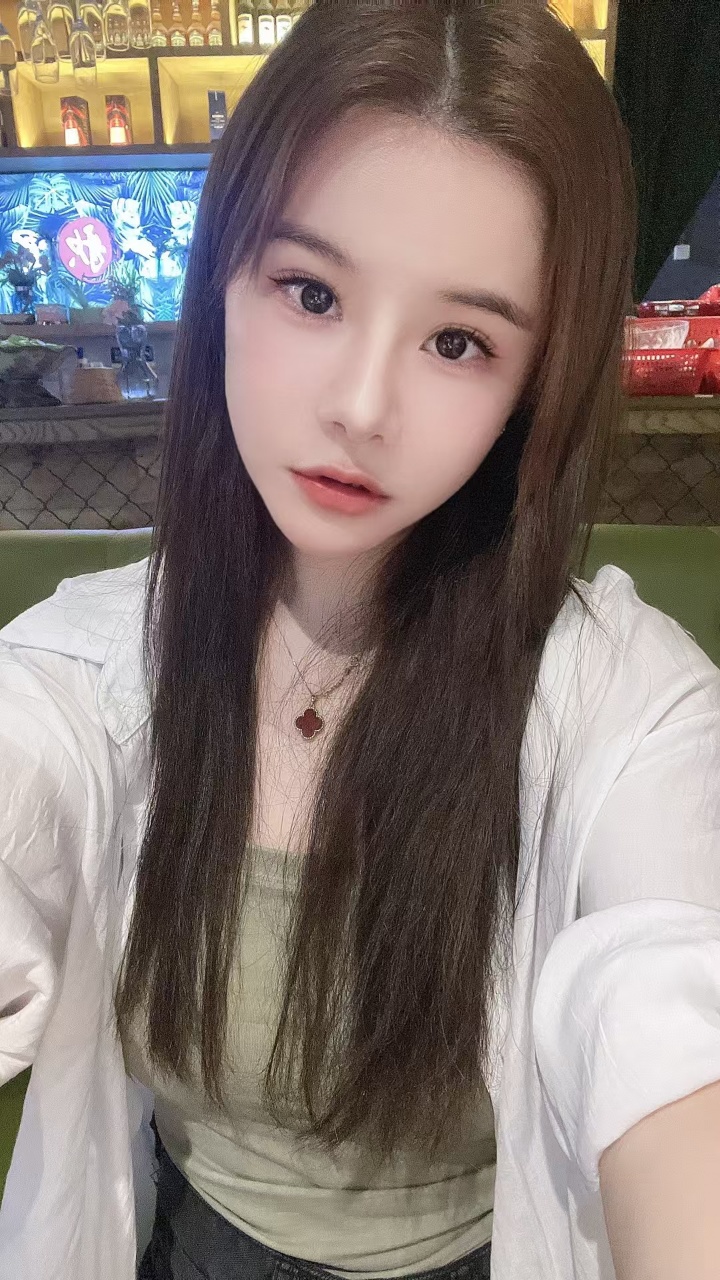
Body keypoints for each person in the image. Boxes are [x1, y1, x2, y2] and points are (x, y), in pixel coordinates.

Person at [1, 2, 719, 1278]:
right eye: (312, 291)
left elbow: (671, 1004)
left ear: (535, 381)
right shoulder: (87, 667)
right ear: (223, 280)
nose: (361, 404)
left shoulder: (624, 701)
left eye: (458, 340)